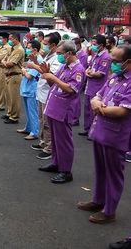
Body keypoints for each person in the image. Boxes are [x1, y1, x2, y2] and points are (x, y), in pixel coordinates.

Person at [77, 45, 131, 224]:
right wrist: (97, 103)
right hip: (100, 131)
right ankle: (97, 200)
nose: (112, 65)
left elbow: (123, 111)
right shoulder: (115, 77)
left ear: (128, 63)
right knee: (100, 170)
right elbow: (97, 95)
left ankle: (109, 211)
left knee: (113, 174)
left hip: (115, 136)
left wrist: (100, 108)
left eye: (116, 62)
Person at [38, 40, 85, 184]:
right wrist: (48, 74)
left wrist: (53, 78)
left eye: (60, 53)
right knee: (56, 139)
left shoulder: (78, 69)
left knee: (64, 141)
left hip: (64, 109)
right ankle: (56, 163)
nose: (58, 56)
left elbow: (71, 89)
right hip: (54, 107)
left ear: (69, 53)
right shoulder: (65, 66)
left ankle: (65, 171)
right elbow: (54, 83)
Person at [28, 32, 62, 159]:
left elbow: (50, 74)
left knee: (47, 122)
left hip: (48, 92)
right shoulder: (48, 55)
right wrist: (35, 61)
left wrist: (34, 66)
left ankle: (49, 148)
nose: (43, 46)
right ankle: (43, 142)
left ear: (53, 45)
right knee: (41, 120)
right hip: (41, 91)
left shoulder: (57, 59)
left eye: (45, 44)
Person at [79, 34, 111, 137]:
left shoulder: (106, 57)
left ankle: (93, 132)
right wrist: (88, 72)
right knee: (87, 109)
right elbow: (90, 67)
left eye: (94, 44)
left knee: (94, 110)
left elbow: (101, 73)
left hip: (97, 87)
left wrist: (90, 74)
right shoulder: (95, 55)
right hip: (90, 85)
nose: (92, 46)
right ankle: (87, 129)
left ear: (101, 45)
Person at [17, 40, 41, 140]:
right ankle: (29, 128)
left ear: (35, 49)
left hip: (32, 89)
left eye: (29, 47)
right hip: (27, 89)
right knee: (28, 111)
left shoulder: (38, 60)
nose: (27, 49)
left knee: (33, 111)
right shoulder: (31, 59)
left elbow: (30, 76)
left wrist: (23, 71)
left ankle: (34, 132)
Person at [1, 32, 25, 124]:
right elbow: (4, 59)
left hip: (15, 75)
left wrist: (4, 62)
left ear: (16, 39)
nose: (9, 41)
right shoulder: (12, 49)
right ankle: (10, 113)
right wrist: (4, 62)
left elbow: (9, 64)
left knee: (14, 97)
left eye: (11, 39)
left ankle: (14, 117)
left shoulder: (19, 50)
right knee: (9, 97)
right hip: (9, 75)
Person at [70, 37, 88, 126]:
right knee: (72, 99)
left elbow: (82, 68)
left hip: (79, 77)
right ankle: (72, 116)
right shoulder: (76, 53)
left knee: (76, 100)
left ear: (78, 45)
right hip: (72, 75)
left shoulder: (83, 55)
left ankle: (75, 118)